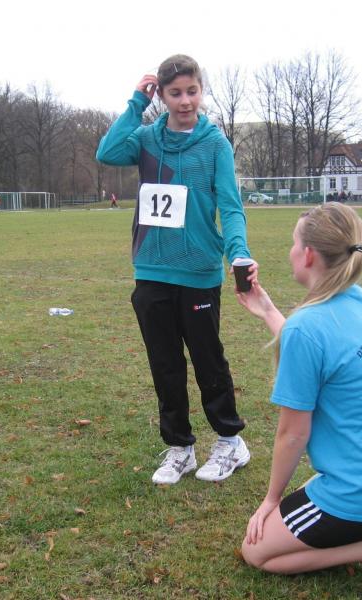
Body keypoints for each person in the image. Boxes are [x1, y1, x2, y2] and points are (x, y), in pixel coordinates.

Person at [236, 203, 362, 600]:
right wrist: (267, 310)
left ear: (308, 254)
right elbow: (323, 351)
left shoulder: (307, 328)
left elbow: (292, 435)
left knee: (256, 552)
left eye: (293, 243)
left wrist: (271, 500)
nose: (290, 251)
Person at [96, 54, 255, 485]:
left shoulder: (216, 145)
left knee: (208, 361)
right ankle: (180, 448)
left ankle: (230, 441)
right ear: (162, 96)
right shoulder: (146, 139)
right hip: (151, 269)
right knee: (164, 364)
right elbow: (107, 151)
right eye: (175, 93)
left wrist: (238, 252)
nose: (185, 101)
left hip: (199, 271)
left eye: (192, 91)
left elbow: (231, 207)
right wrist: (136, 103)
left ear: (201, 91)